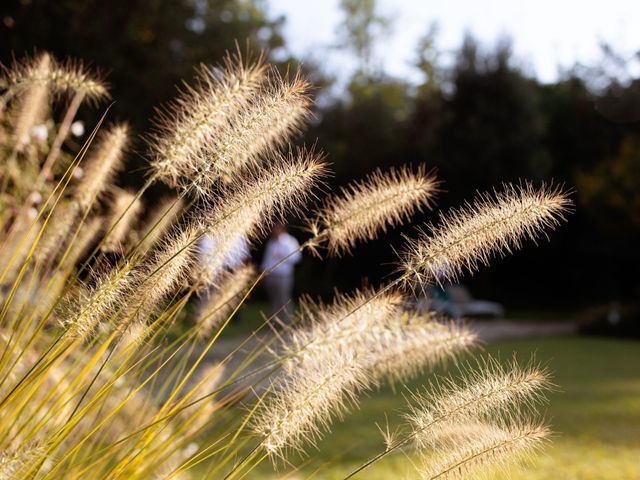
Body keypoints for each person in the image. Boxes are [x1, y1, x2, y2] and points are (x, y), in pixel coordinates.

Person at [260, 224, 301, 324]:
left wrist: (283, 256)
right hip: (270, 276)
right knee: (273, 300)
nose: (274, 231)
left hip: (283, 277)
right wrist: (263, 271)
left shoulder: (290, 242)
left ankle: (287, 321)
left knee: (284, 299)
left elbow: (297, 258)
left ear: (282, 229)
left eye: (276, 229)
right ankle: (276, 322)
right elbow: (267, 259)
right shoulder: (271, 242)